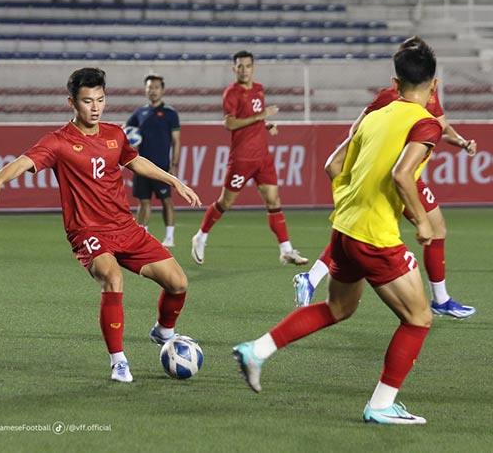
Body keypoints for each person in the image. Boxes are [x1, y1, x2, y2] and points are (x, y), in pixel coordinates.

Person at [233, 37, 443, 424]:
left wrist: (357, 204)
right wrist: (423, 221)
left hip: (344, 230)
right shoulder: (426, 124)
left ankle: (257, 350)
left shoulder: (376, 116)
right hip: (375, 237)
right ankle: (381, 404)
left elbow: (333, 165)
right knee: (419, 318)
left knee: (338, 308)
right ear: (434, 85)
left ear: (395, 84)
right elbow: (401, 175)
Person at [0, 67, 201, 383]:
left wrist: (173, 180)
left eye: (100, 100)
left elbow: (134, 161)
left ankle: (164, 331)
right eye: (87, 101)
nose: (95, 107)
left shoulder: (114, 134)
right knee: (113, 277)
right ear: (72, 102)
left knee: (178, 284)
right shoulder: (58, 142)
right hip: (88, 231)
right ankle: (118, 361)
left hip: (126, 227)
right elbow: (22, 162)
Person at [293, 63, 477, 318]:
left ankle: (310, 278)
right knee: (388, 230)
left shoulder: (428, 96)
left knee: (360, 228)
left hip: (406, 175)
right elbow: (356, 129)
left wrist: (462, 142)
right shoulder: (390, 97)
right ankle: (439, 300)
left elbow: (443, 127)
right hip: (391, 176)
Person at [191, 50, 307, 266]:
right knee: (226, 202)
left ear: (253, 67)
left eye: (247, 65)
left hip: (263, 157)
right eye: (240, 66)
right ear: (234, 69)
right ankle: (201, 236)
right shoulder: (231, 93)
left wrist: (265, 124)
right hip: (242, 159)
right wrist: (261, 117)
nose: (244, 70)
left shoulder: (259, 89)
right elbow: (230, 124)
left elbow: (252, 119)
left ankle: (286, 250)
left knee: (274, 201)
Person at [125, 73, 181, 247]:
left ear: (162, 90)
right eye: (149, 87)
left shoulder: (170, 113)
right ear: (145, 90)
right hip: (141, 165)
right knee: (144, 201)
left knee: (166, 200)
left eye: (156, 87)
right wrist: (128, 133)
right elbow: (125, 130)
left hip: (162, 166)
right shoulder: (140, 113)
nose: (153, 91)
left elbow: (176, 141)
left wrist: (174, 165)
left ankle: (169, 237)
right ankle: (143, 235)